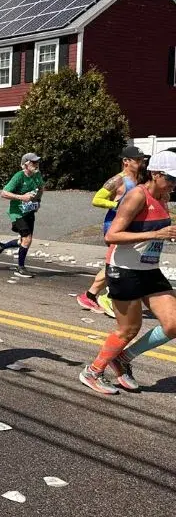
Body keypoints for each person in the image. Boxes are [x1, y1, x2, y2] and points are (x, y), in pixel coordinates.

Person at [78, 151, 176, 394]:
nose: (174, 184)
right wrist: (155, 234)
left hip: (149, 269)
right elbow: (111, 236)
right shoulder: (136, 196)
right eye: (171, 179)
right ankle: (93, 371)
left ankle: (122, 359)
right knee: (128, 329)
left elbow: (156, 227)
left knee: (173, 324)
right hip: (124, 269)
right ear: (156, 174)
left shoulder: (163, 196)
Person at [77, 146, 147, 316]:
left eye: (142, 160)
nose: (141, 163)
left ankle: (90, 295)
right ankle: (108, 296)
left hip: (129, 225)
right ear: (126, 161)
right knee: (120, 262)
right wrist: (117, 205)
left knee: (117, 261)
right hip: (114, 225)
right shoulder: (118, 180)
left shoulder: (139, 178)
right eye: (137, 160)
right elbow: (97, 199)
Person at [0, 153, 43, 278]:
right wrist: (22, 197)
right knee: (27, 239)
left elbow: (41, 188)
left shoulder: (37, 175)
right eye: (33, 162)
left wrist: (37, 201)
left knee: (24, 241)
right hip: (17, 212)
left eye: (37, 162)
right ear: (26, 164)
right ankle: (20, 268)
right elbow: (4, 193)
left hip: (29, 211)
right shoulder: (18, 177)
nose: (36, 165)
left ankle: (1, 246)